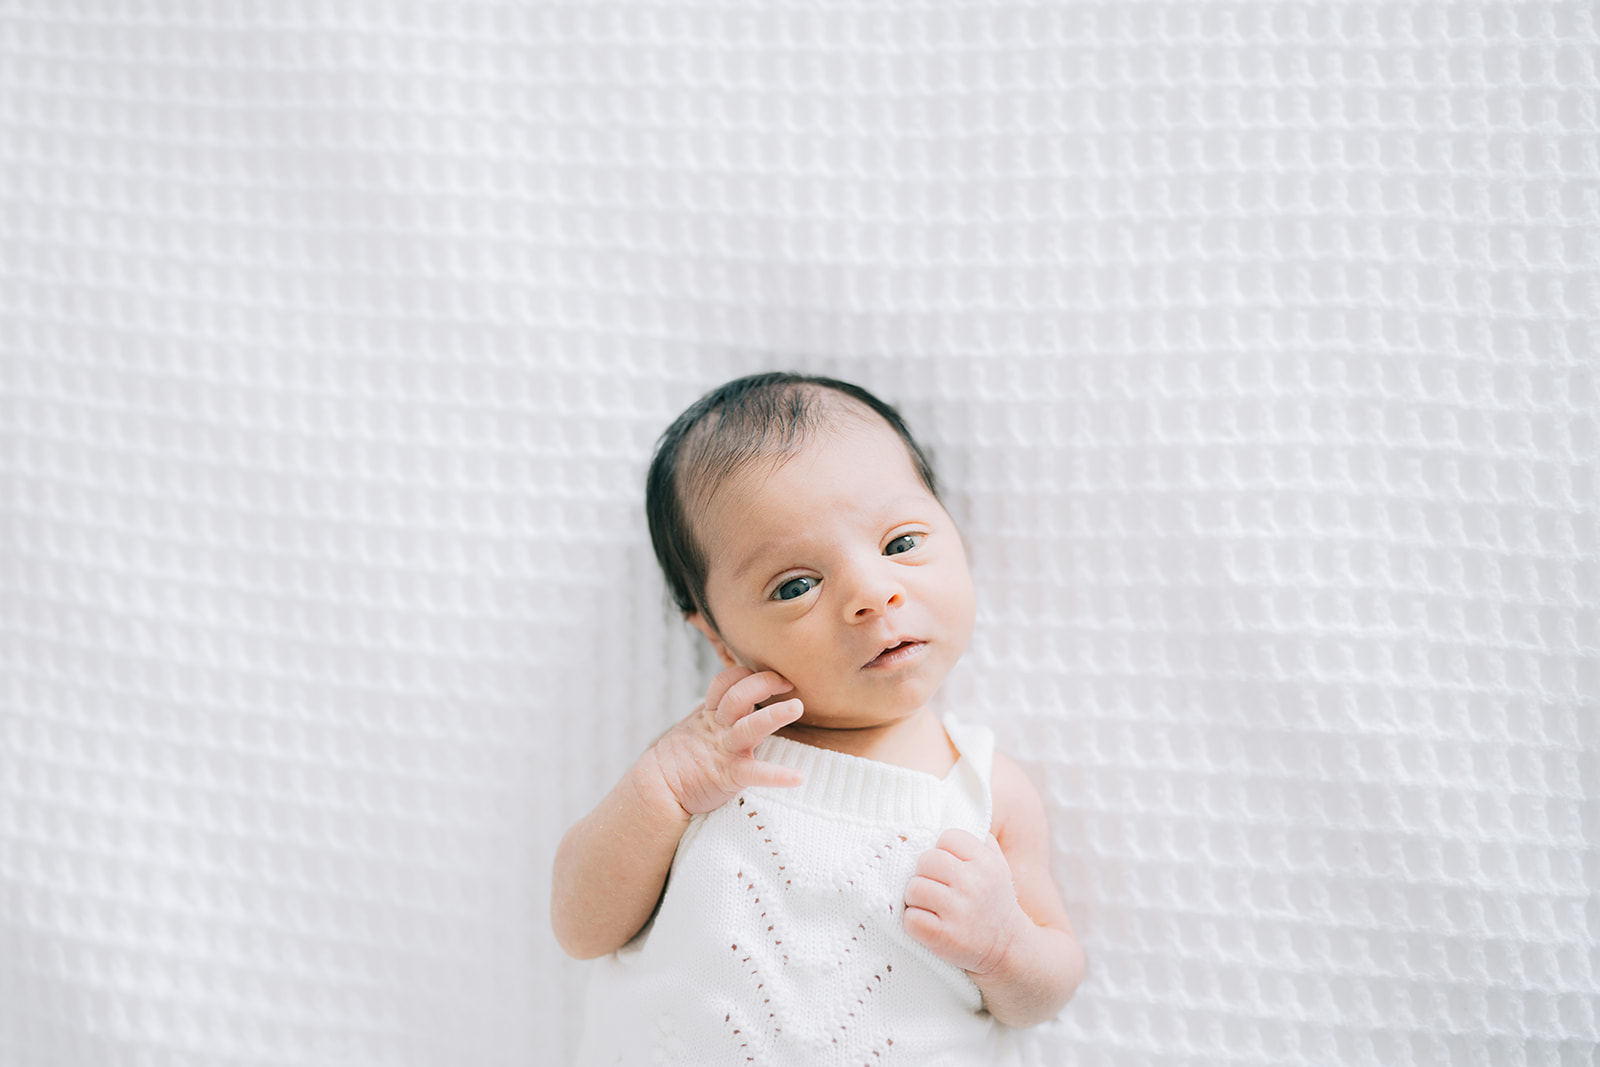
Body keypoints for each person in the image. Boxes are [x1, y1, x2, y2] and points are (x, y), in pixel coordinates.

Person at [552, 372, 1085, 1065]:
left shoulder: (985, 790)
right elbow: (581, 927)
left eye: (901, 544)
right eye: (796, 585)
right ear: (718, 637)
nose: (872, 593)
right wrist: (666, 786)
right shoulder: (704, 764)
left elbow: (1047, 990)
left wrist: (1004, 945)